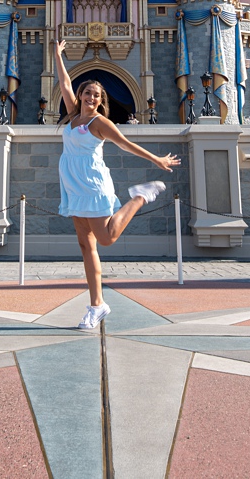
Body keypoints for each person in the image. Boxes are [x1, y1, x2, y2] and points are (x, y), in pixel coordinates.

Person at [53, 39, 180, 330]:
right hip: (73, 185)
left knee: (107, 238)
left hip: (93, 183)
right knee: (87, 247)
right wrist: (56, 54)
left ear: (101, 100)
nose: (91, 97)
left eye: (96, 95)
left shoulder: (99, 123)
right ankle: (96, 306)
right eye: (87, 92)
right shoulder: (73, 115)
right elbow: (64, 82)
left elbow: (126, 144)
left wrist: (157, 159)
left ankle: (138, 197)